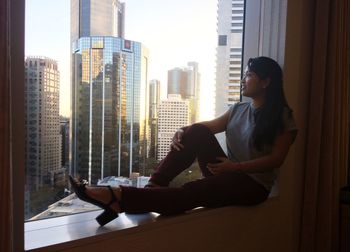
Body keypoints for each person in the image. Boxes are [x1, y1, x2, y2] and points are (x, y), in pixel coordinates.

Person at [70, 56, 298, 226]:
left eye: (248, 75)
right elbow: (205, 129)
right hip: (229, 173)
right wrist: (182, 130)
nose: (243, 80)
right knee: (196, 130)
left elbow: (276, 160)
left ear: (266, 82)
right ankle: (154, 186)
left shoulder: (283, 116)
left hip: (252, 186)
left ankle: (117, 196)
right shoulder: (238, 109)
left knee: (192, 191)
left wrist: (235, 167)